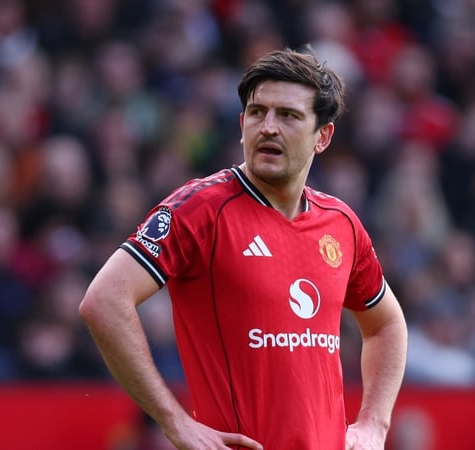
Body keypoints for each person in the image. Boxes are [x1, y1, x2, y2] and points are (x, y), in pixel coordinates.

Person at [79, 47, 408, 450]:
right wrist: (175, 421)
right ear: (241, 124)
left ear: (322, 136)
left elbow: (387, 324)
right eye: (257, 112)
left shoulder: (340, 224)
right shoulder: (200, 209)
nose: (268, 127)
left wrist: (374, 423)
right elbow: (103, 300)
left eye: (288, 116)